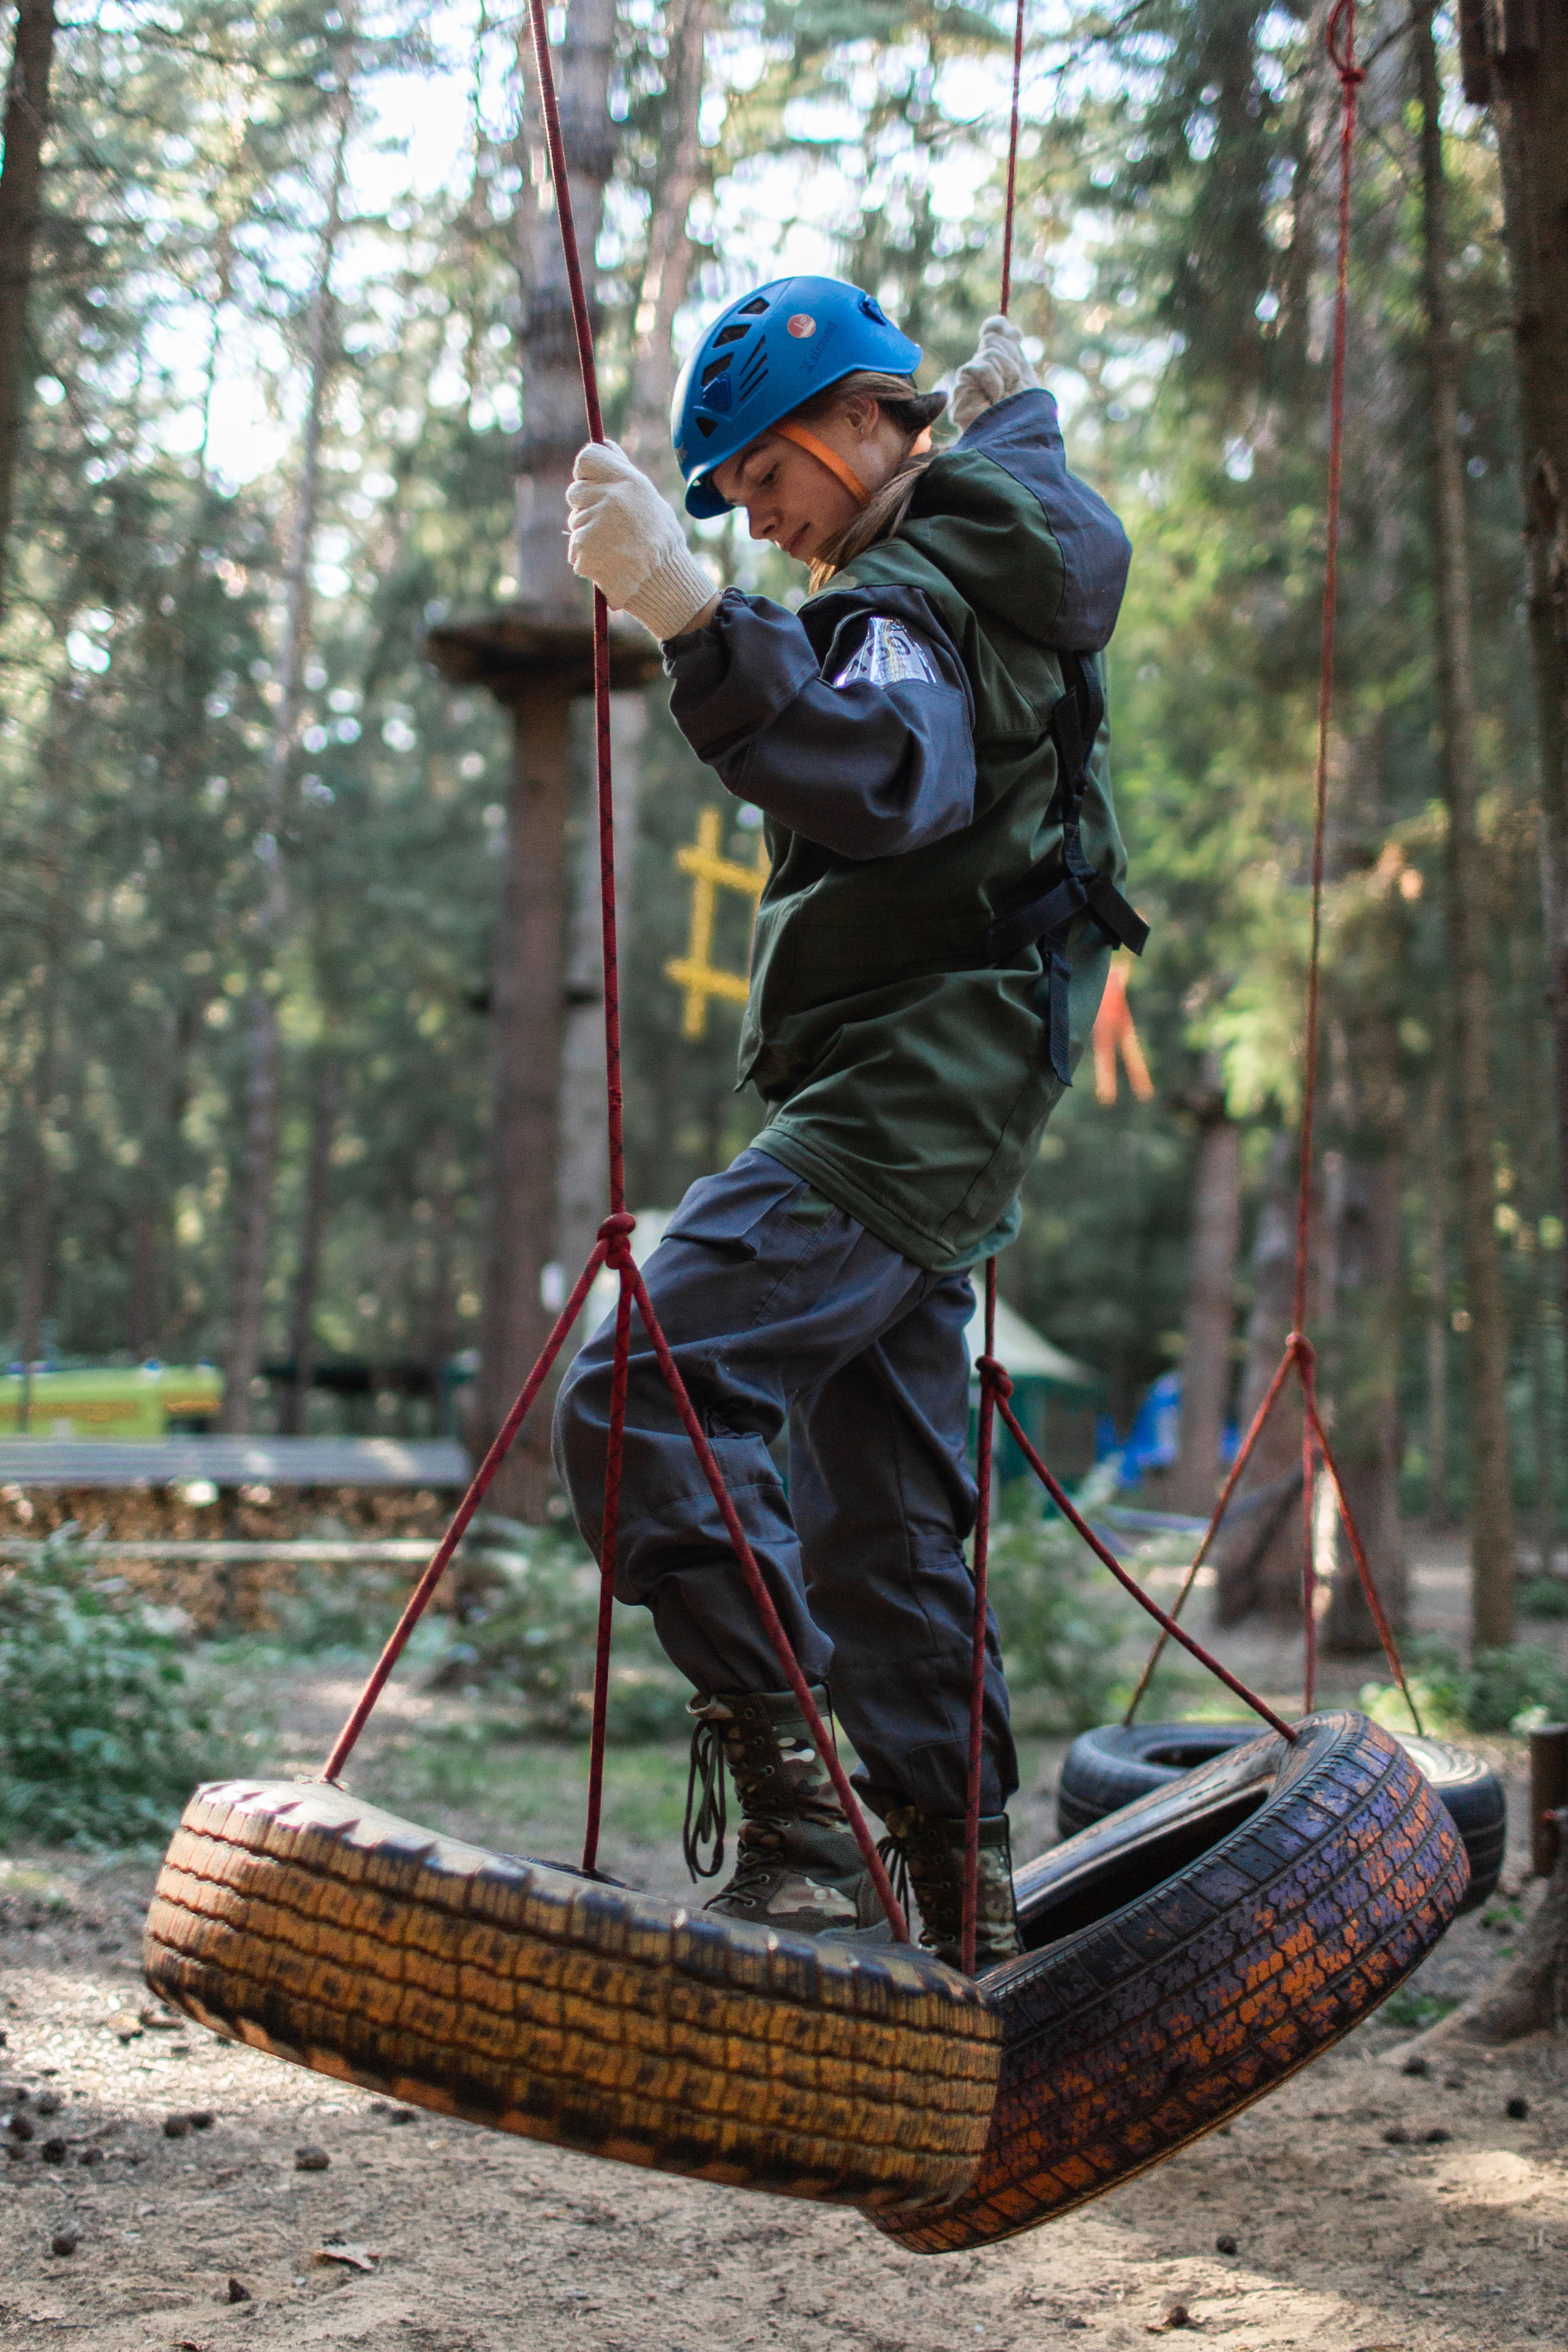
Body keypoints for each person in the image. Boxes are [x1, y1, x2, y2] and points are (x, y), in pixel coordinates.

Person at [552, 276, 1140, 1972]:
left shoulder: (915, 587)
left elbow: (885, 763)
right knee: (882, 1506)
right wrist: (725, 604)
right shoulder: (966, 561)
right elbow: (897, 701)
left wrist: (688, 613)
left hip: (911, 1087)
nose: (757, 514)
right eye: (728, 499)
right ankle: (968, 1914)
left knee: (642, 1380)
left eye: (763, 474)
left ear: (865, 420)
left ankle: (807, 1826)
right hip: (936, 1082)